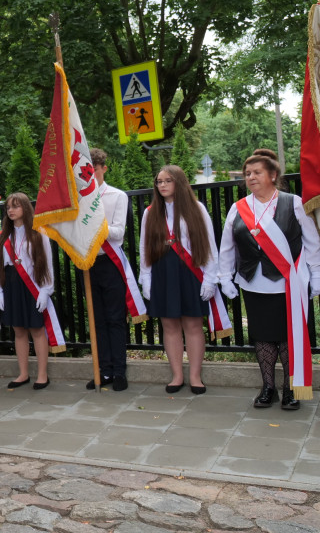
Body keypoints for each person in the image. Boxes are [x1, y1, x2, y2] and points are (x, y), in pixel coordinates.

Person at [218, 149, 320, 410]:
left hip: (289, 282)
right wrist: (225, 277)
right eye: (247, 173)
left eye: (257, 172)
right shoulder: (238, 208)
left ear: (273, 175)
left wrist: (316, 275)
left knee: (288, 337)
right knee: (263, 336)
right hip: (254, 282)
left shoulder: (293, 203)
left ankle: (290, 389)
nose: (250, 177)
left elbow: (312, 242)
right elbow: (227, 246)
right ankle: (268, 387)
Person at [139, 165, 225, 395]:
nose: (162, 185)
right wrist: (145, 278)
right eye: (159, 181)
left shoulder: (196, 209)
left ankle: (195, 376)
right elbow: (144, 248)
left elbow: (209, 245)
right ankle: (177, 375)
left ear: (179, 182)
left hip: (190, 271)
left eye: (167, 180)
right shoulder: (150, 212)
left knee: (194, 324)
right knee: (169, 325)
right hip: (163, 273)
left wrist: (210, 278)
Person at [0, 193, 63, 390]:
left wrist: (46, 290)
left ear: (25, 208)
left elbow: (48, 264)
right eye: (8, 207)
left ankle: (42, 375)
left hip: (32, 285)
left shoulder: (39, 231)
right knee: (18, 329)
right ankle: (23, 373)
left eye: (15, 206)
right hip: (12, 286)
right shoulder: (3, 236)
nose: (11, 210)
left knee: (37, 329)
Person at [87, 148, 140, 392]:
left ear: (103, 169)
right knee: (96, 321)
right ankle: (103, 370)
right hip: (88, 264)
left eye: (94, 170)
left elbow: (118, 232)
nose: (89, 175)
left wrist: (94, 220)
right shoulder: (79, 199)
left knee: (115, 319)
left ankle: (119, 371)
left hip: (110, 262)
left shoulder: (117, 196)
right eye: (85, 171)